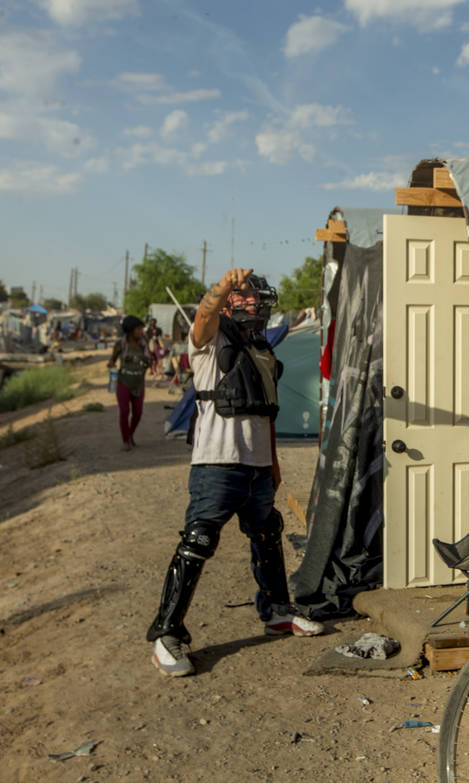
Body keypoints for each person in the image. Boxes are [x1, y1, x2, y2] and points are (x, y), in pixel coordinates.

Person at [147, 268, 323, 677]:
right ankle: (166, 633)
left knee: (267, 534)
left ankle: (277, 610)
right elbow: (203, 317)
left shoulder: (262, 347)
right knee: (198, 542)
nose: (254, 303)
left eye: (257, 297)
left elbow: (267, 414)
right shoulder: (210, 340)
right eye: (245, 296)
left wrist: (274, 463)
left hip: (257, 464)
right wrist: (226, 283)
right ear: (228, 300)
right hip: (216, 463)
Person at [107, 315, 151, 451]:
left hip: (138, 383)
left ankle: (130, 434)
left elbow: (150, 362)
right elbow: (112, 360)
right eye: (138, 329)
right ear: (131, 330)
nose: (141, 332)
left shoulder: (144, 345)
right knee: (124, 411)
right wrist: (111, 365)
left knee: (138, 413)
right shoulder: (120, 344)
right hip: (124, 382)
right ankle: (125, 440)